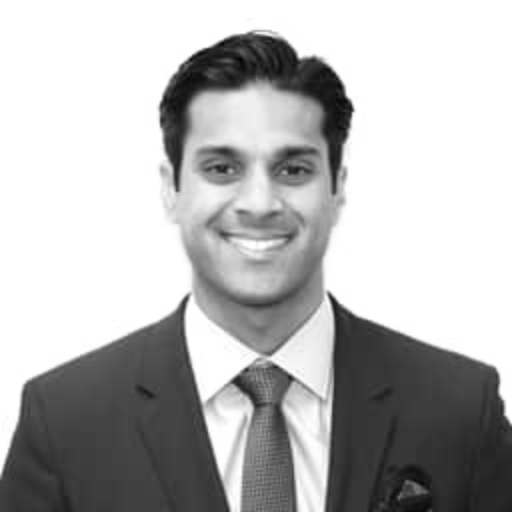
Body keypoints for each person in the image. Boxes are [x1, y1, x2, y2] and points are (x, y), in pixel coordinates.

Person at [1, 31, 511, 512]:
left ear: (337, 189)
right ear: (171, 188)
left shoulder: (461, 411)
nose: (260, 203)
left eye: (294, 170)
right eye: (222, 169)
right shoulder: (64, 424)